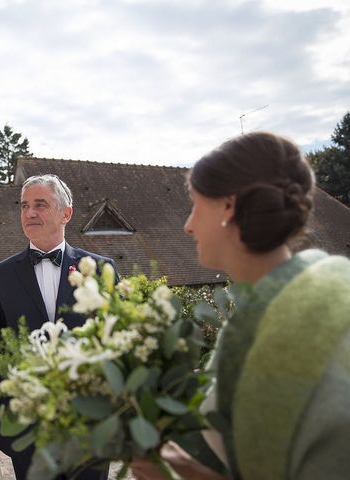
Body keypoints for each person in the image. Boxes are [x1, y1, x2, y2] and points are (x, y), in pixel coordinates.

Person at [131, 132, 350, 479]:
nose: (187, 226)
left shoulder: (265, 339)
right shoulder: (329, 292)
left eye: (194, 204)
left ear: (228, 207)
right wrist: (184, 469)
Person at [0, 174, 116, 480]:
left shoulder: (101, 270)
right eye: (24, 205)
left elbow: (116, 347)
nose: (29, 213)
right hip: (28, 436)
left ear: (65, 213)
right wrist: (6, 422)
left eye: (40, 204)